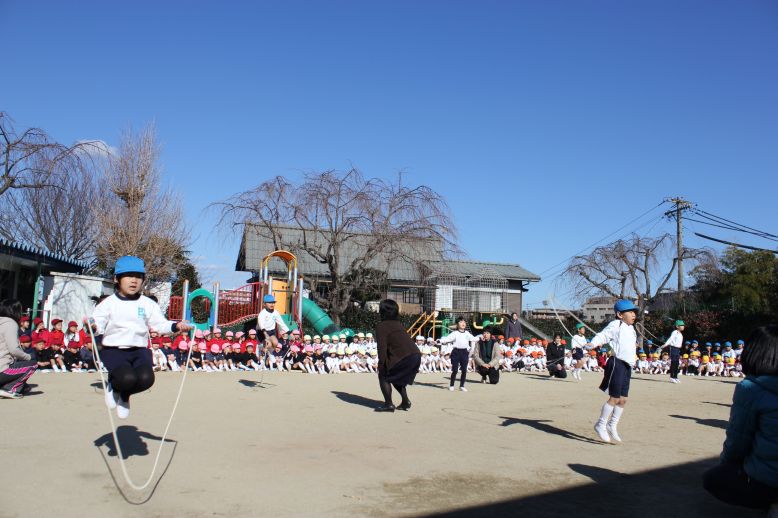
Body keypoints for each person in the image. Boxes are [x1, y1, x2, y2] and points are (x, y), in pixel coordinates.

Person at [92, 256, 192, 419]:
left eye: (138, 276)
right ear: (117, 279)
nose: (134, 280)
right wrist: (94, 326)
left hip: (139, 350)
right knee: (127, 378)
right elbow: (97, 322)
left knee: (146, 379)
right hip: (114, 350)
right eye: (128, 275)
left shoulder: (148, 304)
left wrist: (176, 326)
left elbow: (160, 324)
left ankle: (125, 396)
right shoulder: (109, 303)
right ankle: (114, 386)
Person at [704, 325, 778, 515]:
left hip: (770, 478)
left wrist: (727, 464)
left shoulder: (751, 389)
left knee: (714, 479)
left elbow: (738, 441)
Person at [587, 299, 639, 443]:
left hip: (627, 366)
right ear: (620, 315)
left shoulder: (631, 328)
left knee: (623, 399)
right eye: (630, 312)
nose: (634, 315)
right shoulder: (616, 324)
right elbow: (603, 335)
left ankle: (612, 424)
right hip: (617, 363)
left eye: (634, 312)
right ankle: (601, 424)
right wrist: (593, 343)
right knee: (614, 398)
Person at [374, 299, 421, 412]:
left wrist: (381, 365)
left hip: (403, 356)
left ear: (382, 311)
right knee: (396, 377)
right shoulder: (398, 324)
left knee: (384, 376)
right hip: (415, 355)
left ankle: (388, 404)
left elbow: (382, 348)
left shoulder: (382, 326)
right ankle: (405, 402)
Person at [0, 299, 38, 398]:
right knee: (33, 364)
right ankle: (9, 389)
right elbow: (14, 350)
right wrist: (29, 357)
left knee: (25, 388)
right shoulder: (11, 324)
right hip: (2, 369)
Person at [439, 317, 477, 392]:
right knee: (455, 370)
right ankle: (452, 385)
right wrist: (438, 341)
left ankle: (462, 386)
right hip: (456, 352)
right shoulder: (455, 333)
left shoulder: (467, 333)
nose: (463, 323)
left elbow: (473, 338)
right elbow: (447, 339)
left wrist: (481, 338)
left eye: (464, 322)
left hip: (464, 352)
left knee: (464, 370)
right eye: (461, 322)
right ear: (457, 324)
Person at [659, 319, 684, 384]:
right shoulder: (675, 332)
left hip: (677, 349)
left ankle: (675, 377)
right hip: (673, 348)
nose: (683, 326)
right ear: (677, 326)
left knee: (677, 363)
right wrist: (665, 345)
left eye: (683, 325)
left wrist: (680, 345)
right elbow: (670, 339)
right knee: (673, 363)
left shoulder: (680, 334)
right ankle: (672, 377)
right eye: (681, 325)